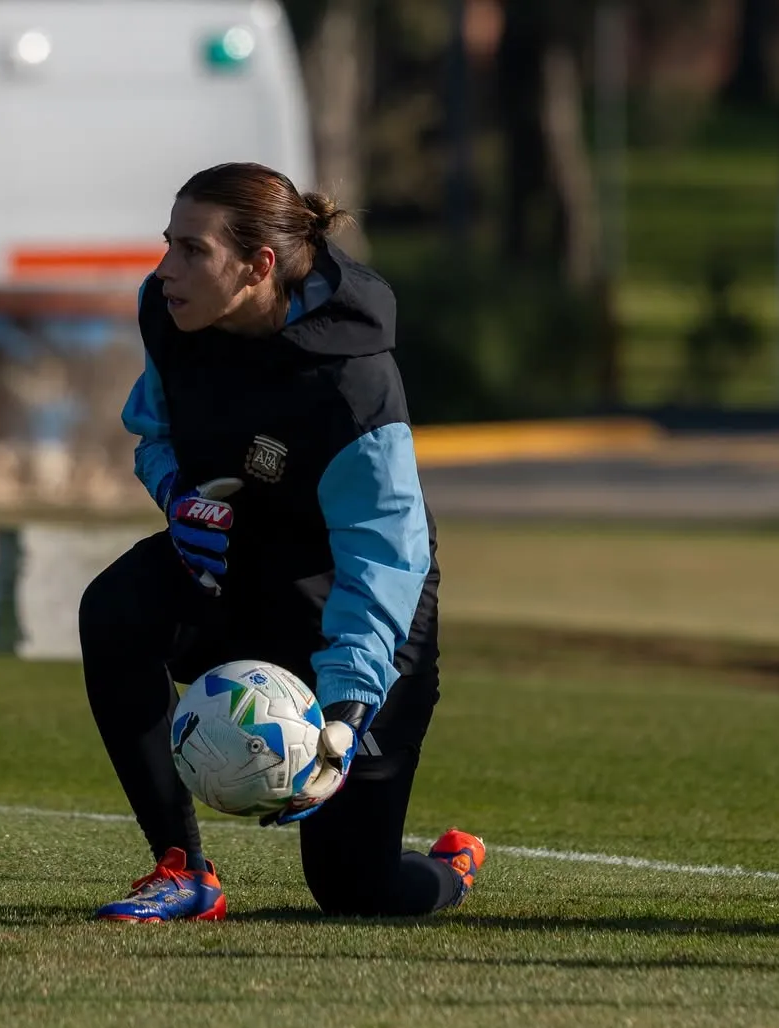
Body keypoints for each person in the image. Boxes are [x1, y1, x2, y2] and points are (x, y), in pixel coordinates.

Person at [78, 162, 485, 921]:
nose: (166, 269)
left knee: (356, 892)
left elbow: (386, 560)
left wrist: (350, 706)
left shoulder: (352, 386)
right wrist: (178, 500)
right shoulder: (169, 315)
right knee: (114, 609)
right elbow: (154, 433)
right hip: (237, 571)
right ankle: (183, 870)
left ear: (259, 265)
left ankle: (452, 867)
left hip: (356, 610)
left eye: (192, 250)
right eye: (168, 243)